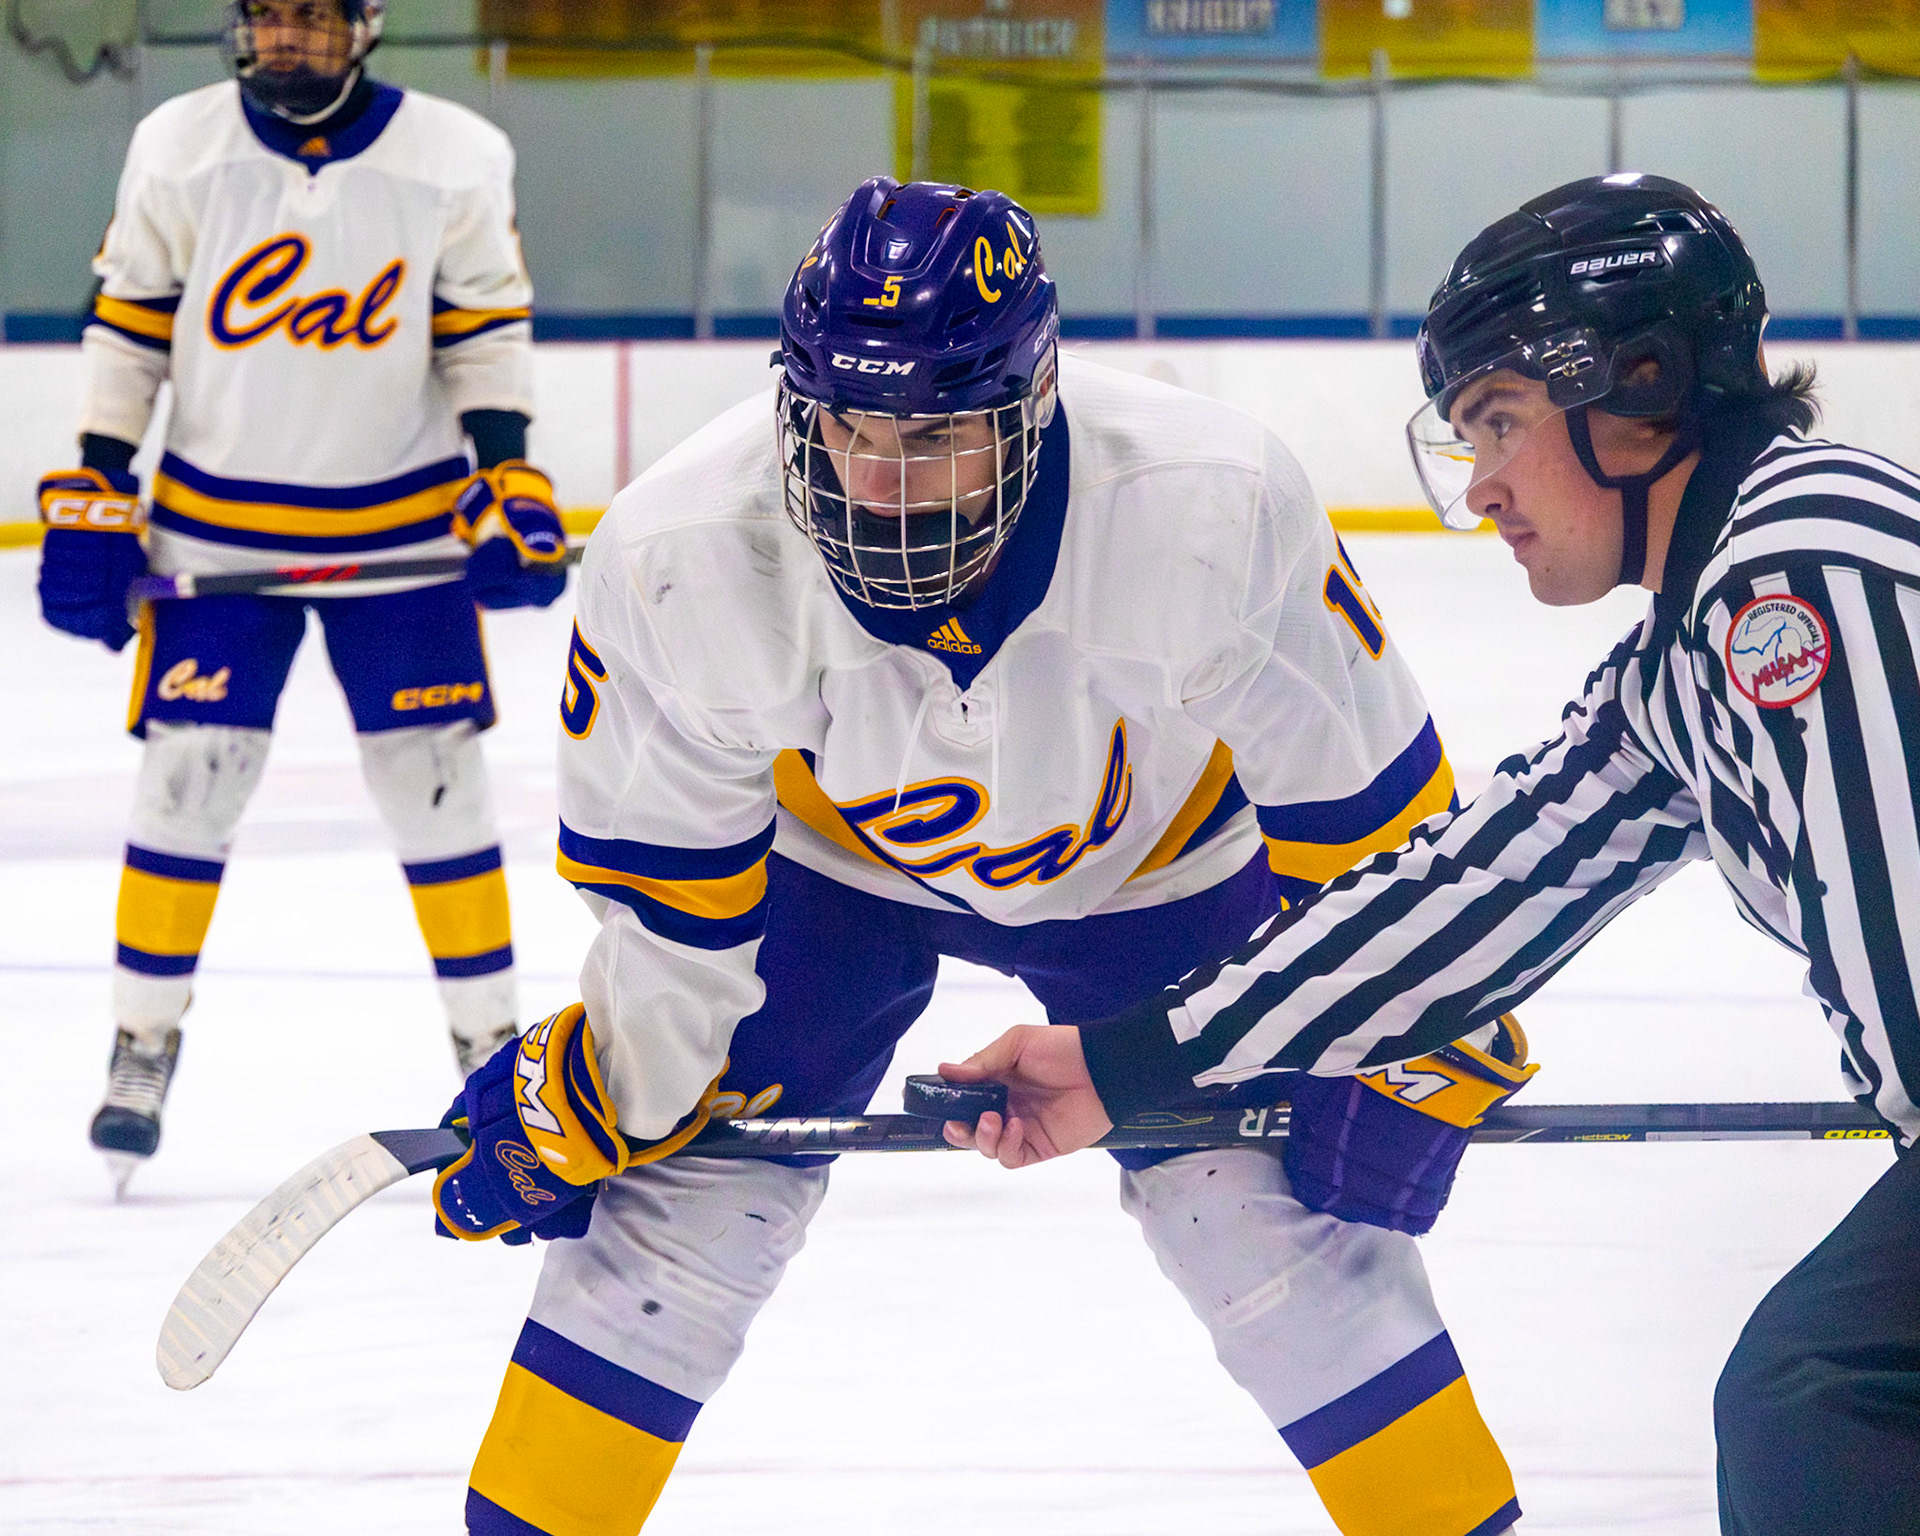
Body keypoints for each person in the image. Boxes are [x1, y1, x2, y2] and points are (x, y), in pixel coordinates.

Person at [426, 177, 1528, 1536]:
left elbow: (1374, 834)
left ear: (1032, 401)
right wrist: (605, 1083)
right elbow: (672, 917)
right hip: (829, 876)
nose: (880, 479)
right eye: (848, 423)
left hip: (1158, 874)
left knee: (1274, 1240)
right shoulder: (677, 554)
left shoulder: (1209, 503)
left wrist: (1420, 1038)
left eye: (938, 428)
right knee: (680, 1212)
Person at [946, 172, 1920, 1536]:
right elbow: (1474, 893)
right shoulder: (1696, 647)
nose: (1484, 489)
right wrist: (1122, 1059)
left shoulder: (1798, 578)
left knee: (1818, 1395)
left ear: (1641, 384)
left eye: (1503, 424)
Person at [37, 0, 567, 1191]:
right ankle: (141, 1043)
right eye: (268, 15)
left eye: (312, 18)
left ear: (365, 26)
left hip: (402, 528)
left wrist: (509, 472)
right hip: (217, 530)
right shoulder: (179, 143)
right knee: (188, 784)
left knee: (440, 795)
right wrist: (97, 480)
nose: (287, 38)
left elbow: (483, 331)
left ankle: (496, 1060)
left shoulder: (456, 155)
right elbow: (129, 329)